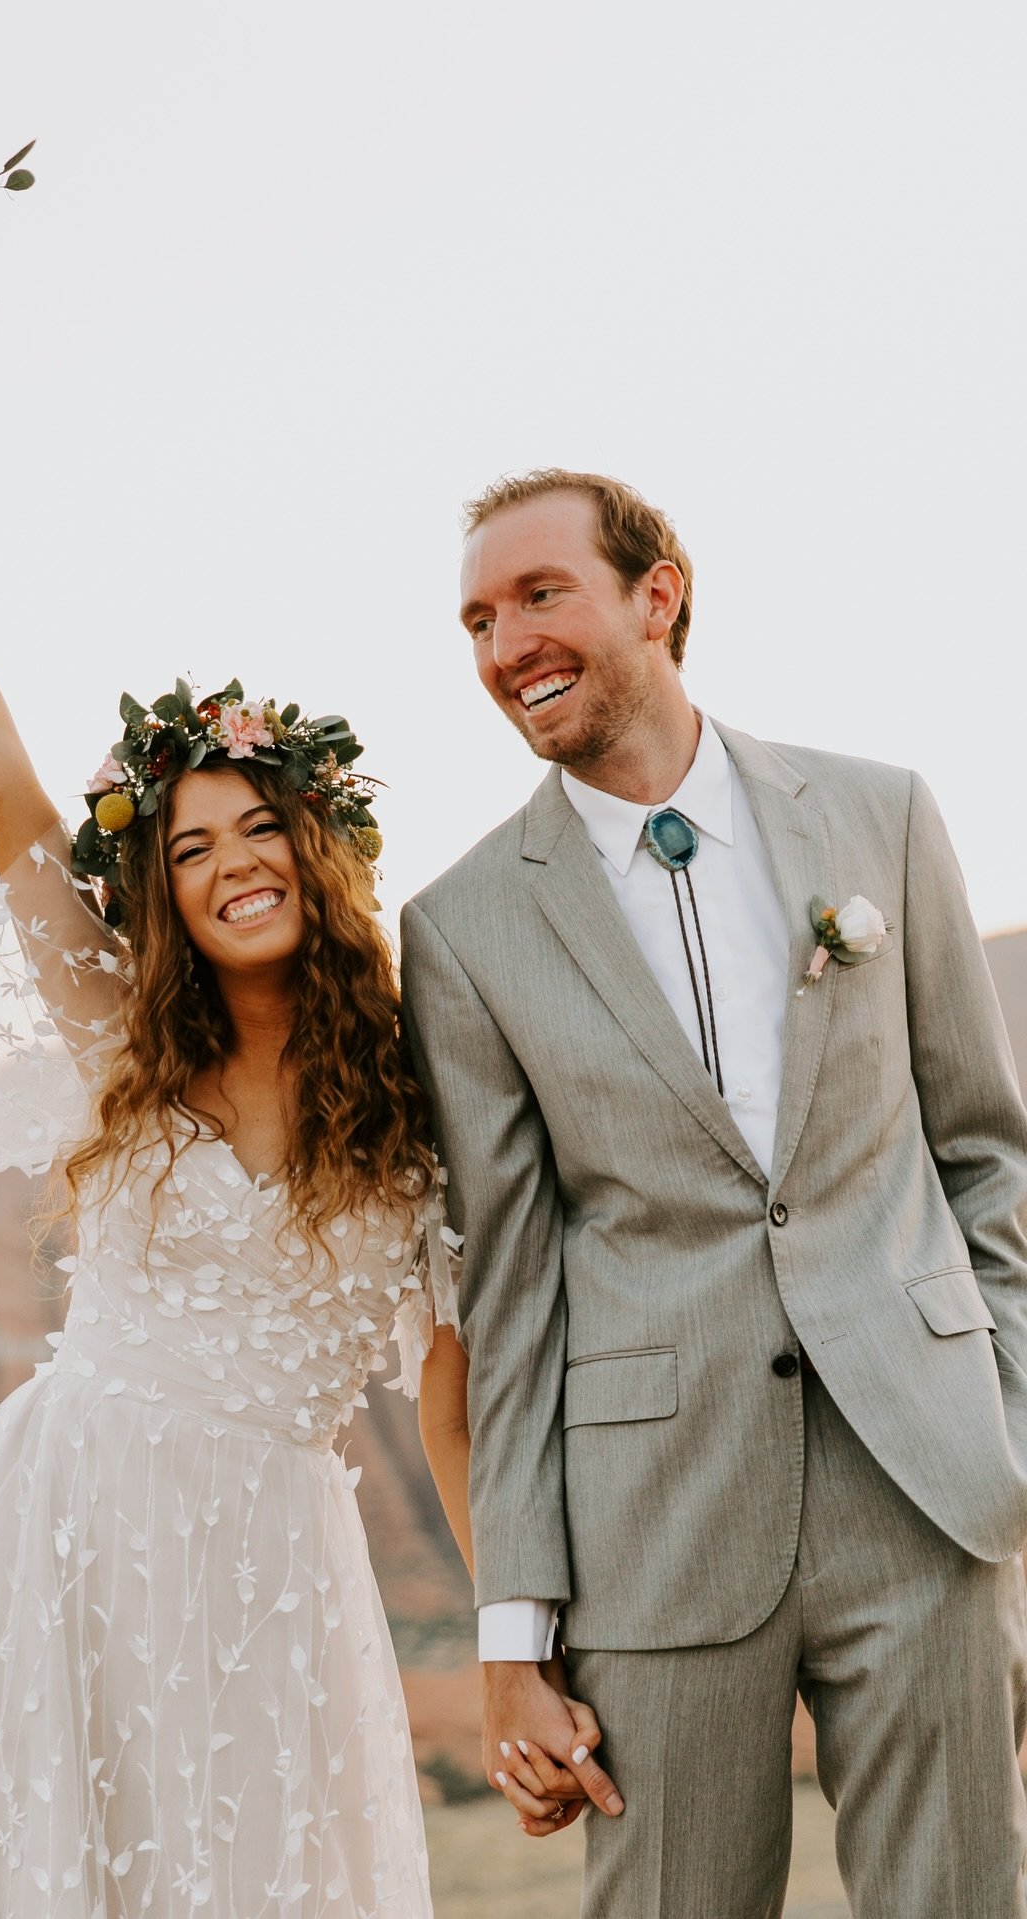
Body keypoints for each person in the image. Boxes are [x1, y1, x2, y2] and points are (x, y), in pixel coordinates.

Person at [0, 411, 466, 1918]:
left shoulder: (419, 1094)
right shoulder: (124, 1043)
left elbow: (451, 1403)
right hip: (60, 1542)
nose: (232, 863)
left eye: (258, 828)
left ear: (315, 845)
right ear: (162, 892)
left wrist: (516, 1644)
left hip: (275, 1575)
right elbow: (3, 790)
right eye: (188, 847)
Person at [403, 468, 1027, 1917]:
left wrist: (1005, 1419)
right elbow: (511, 1299)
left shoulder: (878, 816)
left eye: (540, 595)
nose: (506, 645)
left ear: (657, 598)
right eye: (479, 621)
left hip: (926, 1489)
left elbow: (984, 1150)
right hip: (657, 1532)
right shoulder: (465, 926)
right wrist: (515, 1636)